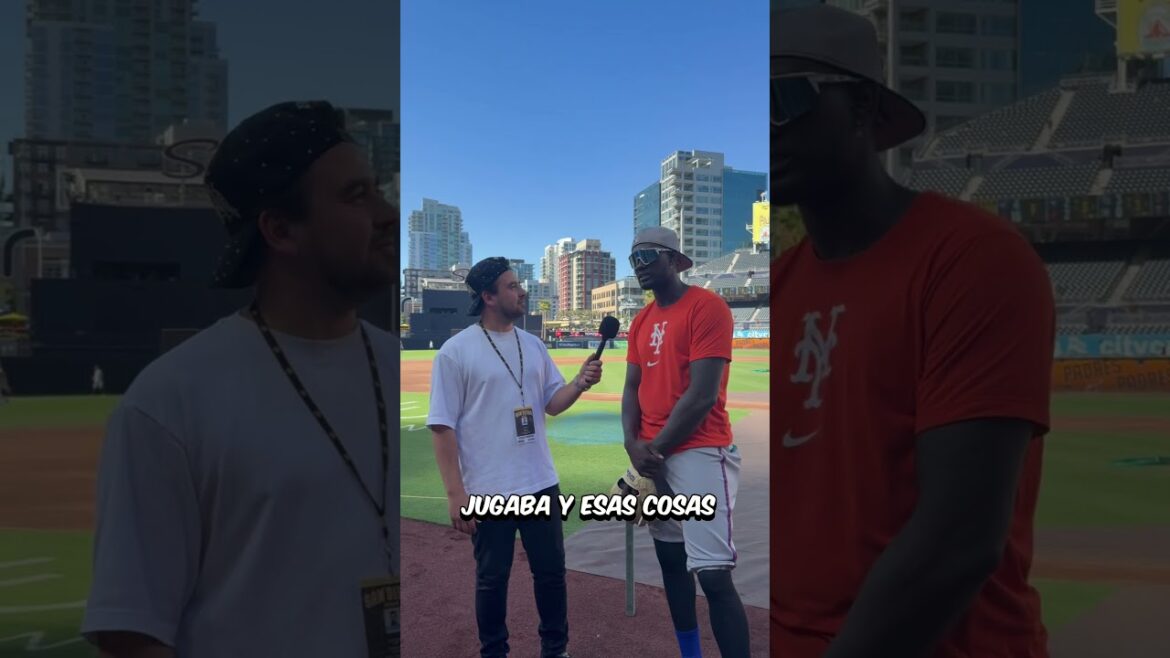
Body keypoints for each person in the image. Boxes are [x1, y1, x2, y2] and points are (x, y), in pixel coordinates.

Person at [770, 6, 1054, 658]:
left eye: (783, 98)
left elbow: (957, 541)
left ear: (865, 107)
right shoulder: (783, 281)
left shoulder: (972, 258)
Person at [81, 101, 401, 658]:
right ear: (279, 229)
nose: (388, 212)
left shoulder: (401, 367)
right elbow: (130, 632)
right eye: (356, 197)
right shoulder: (169, 403)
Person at [426, 257, 602, 658]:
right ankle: (494, 652)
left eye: (518, 285)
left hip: (540, 482)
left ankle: (555, 650)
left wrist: (578, 383)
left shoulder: (533, 344)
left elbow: (552, 404)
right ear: (488, 296)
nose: (521, 291)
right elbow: (441, 426)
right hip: (488, 489)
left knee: (552, 575)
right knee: (492, 579)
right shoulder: (455, 352)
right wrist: (456, 494)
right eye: (511, 286)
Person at [623, 226, 750, 658]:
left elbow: (702, 395)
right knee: (673, 566)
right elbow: (631, 389)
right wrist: (630, 444)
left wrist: (650, 453)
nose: (638, 265)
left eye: (648, 256)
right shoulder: (640, 321)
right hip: (652, 457)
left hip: (699, 450)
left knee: (713, 575)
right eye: (633, 258)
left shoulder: (707, 307)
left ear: (676, 261)